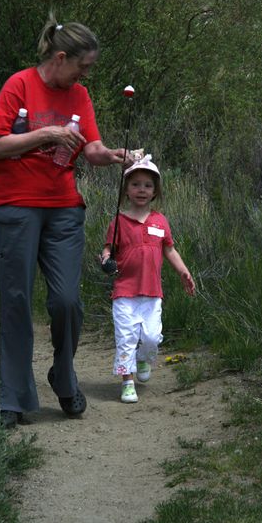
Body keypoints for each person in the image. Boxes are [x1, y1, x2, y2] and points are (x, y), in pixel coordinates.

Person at [0, 12, 132, 428]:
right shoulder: (20, 85)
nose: (86, 74)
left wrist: (114, 156)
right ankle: (13, 396)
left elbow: (93, 149)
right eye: (83, 66)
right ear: (61, 57)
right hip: (13, 205)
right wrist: (47, 135)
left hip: (64, 207)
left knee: (67, 300)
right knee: (16, 300)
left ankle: (63, 377)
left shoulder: (79, 95)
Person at [100, 155, 196, 404]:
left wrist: (184, 272)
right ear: (126, 190)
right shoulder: (118, 222)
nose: (141, 190)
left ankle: (143, 358)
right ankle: (127, 382)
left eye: (147, 185)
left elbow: (170, 250)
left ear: (155, 191)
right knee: (126, 338)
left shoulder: (160, 221)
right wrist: (105, 260)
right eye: (135, 184)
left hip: (152, 293)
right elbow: (107, 250)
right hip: (124, 292)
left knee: (152, 337)